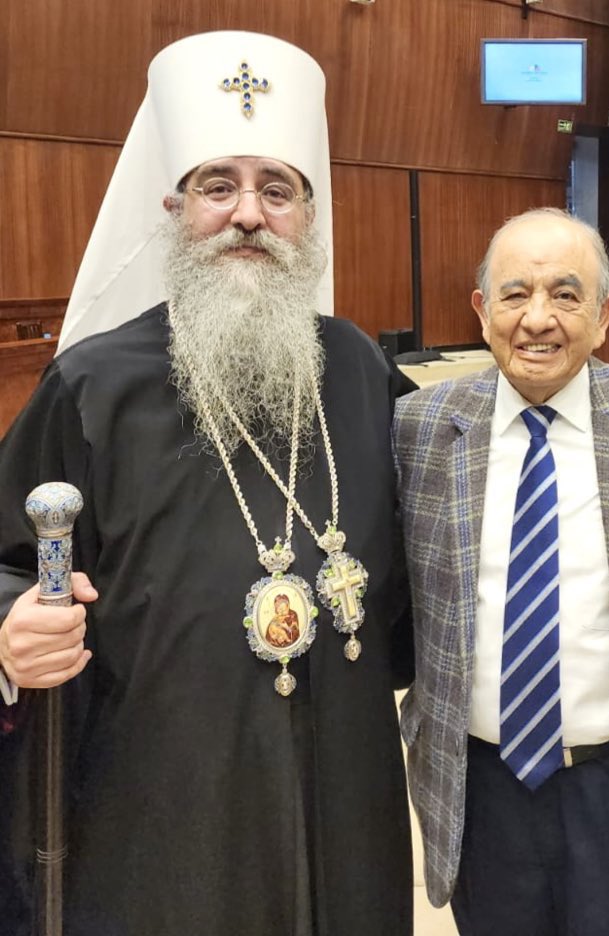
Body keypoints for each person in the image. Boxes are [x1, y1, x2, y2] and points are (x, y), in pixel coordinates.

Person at [0, 31, 414, 936]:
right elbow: (4, 559)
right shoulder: (92, 386)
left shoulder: (356, 370)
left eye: (277, 189)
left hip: (346, 799)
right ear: (174, 208)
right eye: (218, 186)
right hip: (161, 816)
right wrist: (5, 630)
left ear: (309, 215)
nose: (248, 215)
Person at [392, 208, 609, 935]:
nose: (538, 319)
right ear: (481, 310)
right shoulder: (419, 426)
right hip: (480, 790)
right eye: (514, 294)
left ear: (604, 315)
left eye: (566, 296)